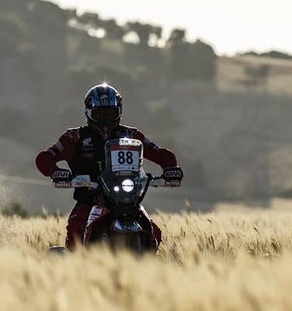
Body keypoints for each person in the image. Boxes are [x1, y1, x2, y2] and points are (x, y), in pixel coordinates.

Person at [35, 83, 183, 249]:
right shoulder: (75, 137)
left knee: (153, 232)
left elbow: (161, 154)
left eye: (110, 113)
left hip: (126, 201)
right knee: (76, 232)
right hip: (89, 201)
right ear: (88, 113)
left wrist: (171, 168)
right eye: (99, 114)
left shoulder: (131, 135)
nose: (105, 120)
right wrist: (56, 172)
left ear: (119, 112)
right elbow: (44, 158)